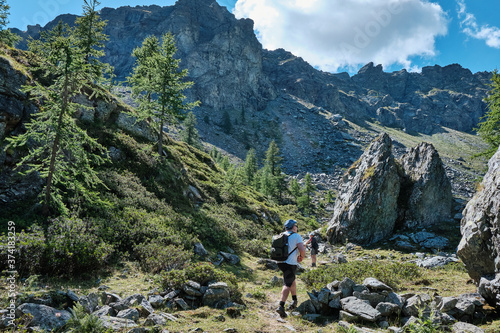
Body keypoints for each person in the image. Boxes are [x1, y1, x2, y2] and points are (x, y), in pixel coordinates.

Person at [276, 219, 306, 318]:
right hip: (290, 263)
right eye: (296, 226)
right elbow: (302, 249)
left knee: (291, 279)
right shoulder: (296, 236)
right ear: (293, 227)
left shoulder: (281, 235)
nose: (297, 227)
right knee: (287, 284)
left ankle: (294, 300)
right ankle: (281, 306)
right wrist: (302, 257)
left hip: (280, 262)